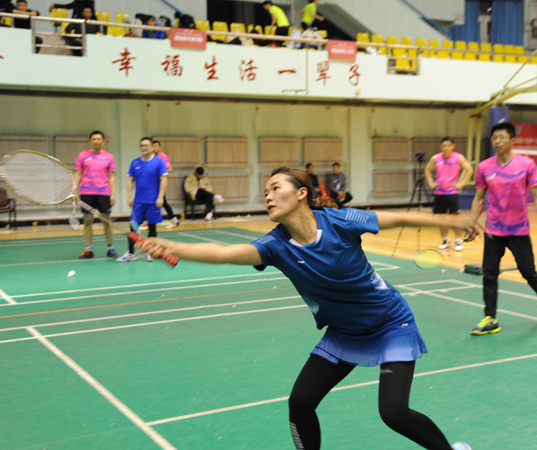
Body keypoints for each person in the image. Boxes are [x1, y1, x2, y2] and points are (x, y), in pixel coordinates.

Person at [139, 167, 474, 450]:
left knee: (394, 414)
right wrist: (170, 245)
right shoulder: (274, 246)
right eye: (265, 192)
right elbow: (224, 253)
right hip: (343, 333)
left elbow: (396, 217)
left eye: (275, 188)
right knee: (300, 402)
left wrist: (451, 221)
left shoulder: (340, 221)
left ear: (301, 193)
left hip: (390, 325)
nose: (268, 196)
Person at [469, 122, 537, 335]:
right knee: (489, 274)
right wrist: (472, 222)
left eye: (502, 137)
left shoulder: (526, 164)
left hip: (518, 230)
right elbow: (479, 198)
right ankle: (490, 318)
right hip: (493, 230)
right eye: (494, 138)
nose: (497, 141)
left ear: (512, 140)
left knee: (528, 272)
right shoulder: (484, 167)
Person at [116, 137, 168, 262]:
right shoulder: (135, 163)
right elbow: (130, 180)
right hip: (138, 202)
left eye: (146, 145)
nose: (143, 148)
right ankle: (131, 253)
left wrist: (160, 197)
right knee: (133, 227)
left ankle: (150, 252)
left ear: (152, 147)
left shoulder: (159, 162)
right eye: (141, 145)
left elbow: (164, 179)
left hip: (153, 202)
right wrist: (129, 197)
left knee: (152, 227)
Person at [424, 137, 474, 251]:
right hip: (439, 193)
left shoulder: (458, 157)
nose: (445, 148)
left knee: (455, 219)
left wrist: (461, 184)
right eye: (443, 146)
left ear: (453, 146)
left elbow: (469, 170)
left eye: (448, 145)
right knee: (441, 218)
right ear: (441, 147)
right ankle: (445, 240)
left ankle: (457, 241)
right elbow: (427, 170)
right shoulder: (436, 158)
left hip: (452, 193)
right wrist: (431, 183)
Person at [74, 130, 116, 259]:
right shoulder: (82, 155)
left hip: (103, 192)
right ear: (90, 141)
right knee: (87, 221)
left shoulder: (109, 157)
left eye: (99, 139)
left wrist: (113, 194)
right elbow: (78, 174)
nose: (96, 141)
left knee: (106, 220)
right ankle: (88, 249)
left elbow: (111, 176)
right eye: (94, 139)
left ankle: (110, 248)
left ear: (103, 141)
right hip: (86, 192)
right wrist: (74, 190)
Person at [152, 140, 180, 228]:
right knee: (154, 203)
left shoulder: (163, 157)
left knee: (163, 203)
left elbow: (170, 170)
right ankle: (150, 221)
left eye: (156, 146)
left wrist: (159, 171)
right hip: (151, 184)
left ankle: (174, 220)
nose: (154, 148)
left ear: (159, 147)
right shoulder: (151, 157)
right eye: (153, 146)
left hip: (161, 184)